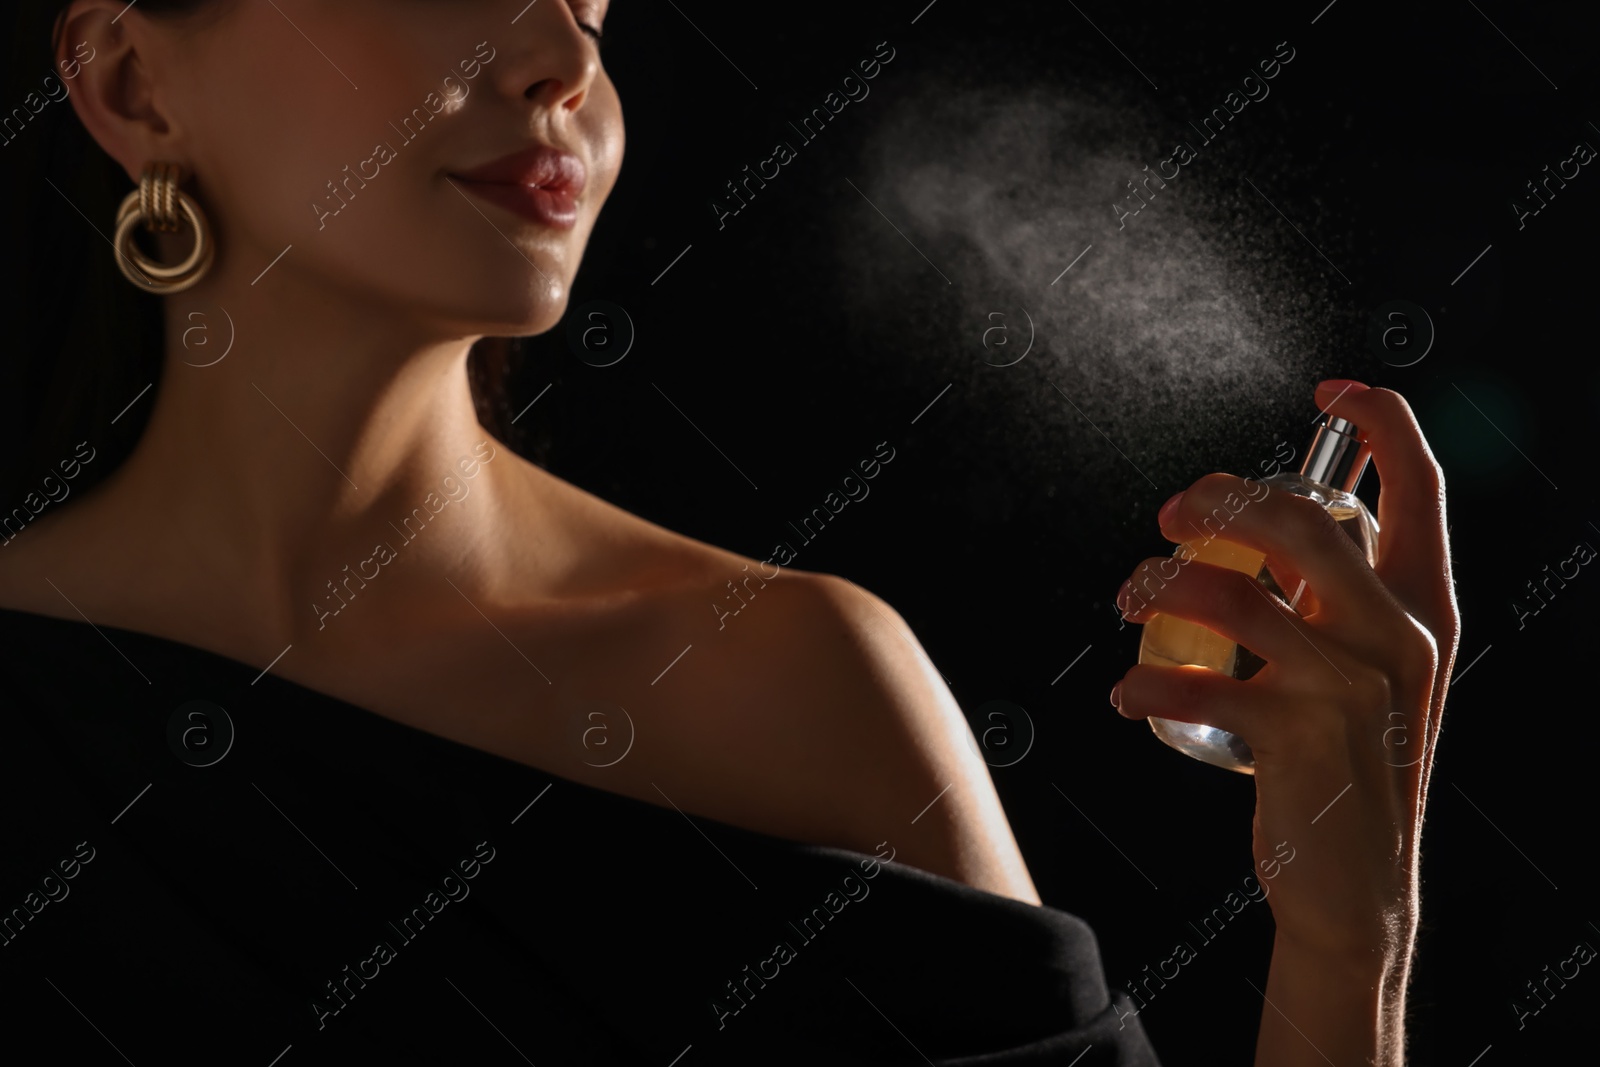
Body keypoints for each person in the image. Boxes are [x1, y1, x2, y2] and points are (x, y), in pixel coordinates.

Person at [0, 2, 1459, 1064]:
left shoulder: (792, 681)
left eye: (587, 3)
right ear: (132, 82)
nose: (564, 61)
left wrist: (1348, 952)